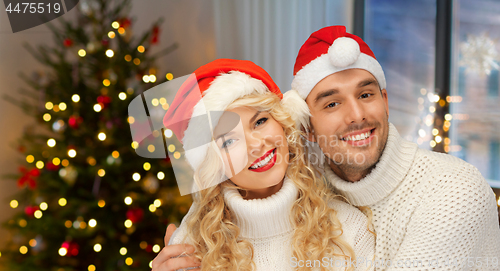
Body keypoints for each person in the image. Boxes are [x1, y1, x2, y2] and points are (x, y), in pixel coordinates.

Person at [290, 25, 500, 270]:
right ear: (308, 130)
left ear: (385, 102)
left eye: (366, 95)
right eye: (332, 103)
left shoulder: (454, 187)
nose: (357, 115)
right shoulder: (309, 205)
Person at [152, 59, 375, 271]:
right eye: (229, 140)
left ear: (283, 125)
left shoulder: (349, 230)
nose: (256, 145)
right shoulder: (191, 247)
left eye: (259, 122)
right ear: (214, 165)